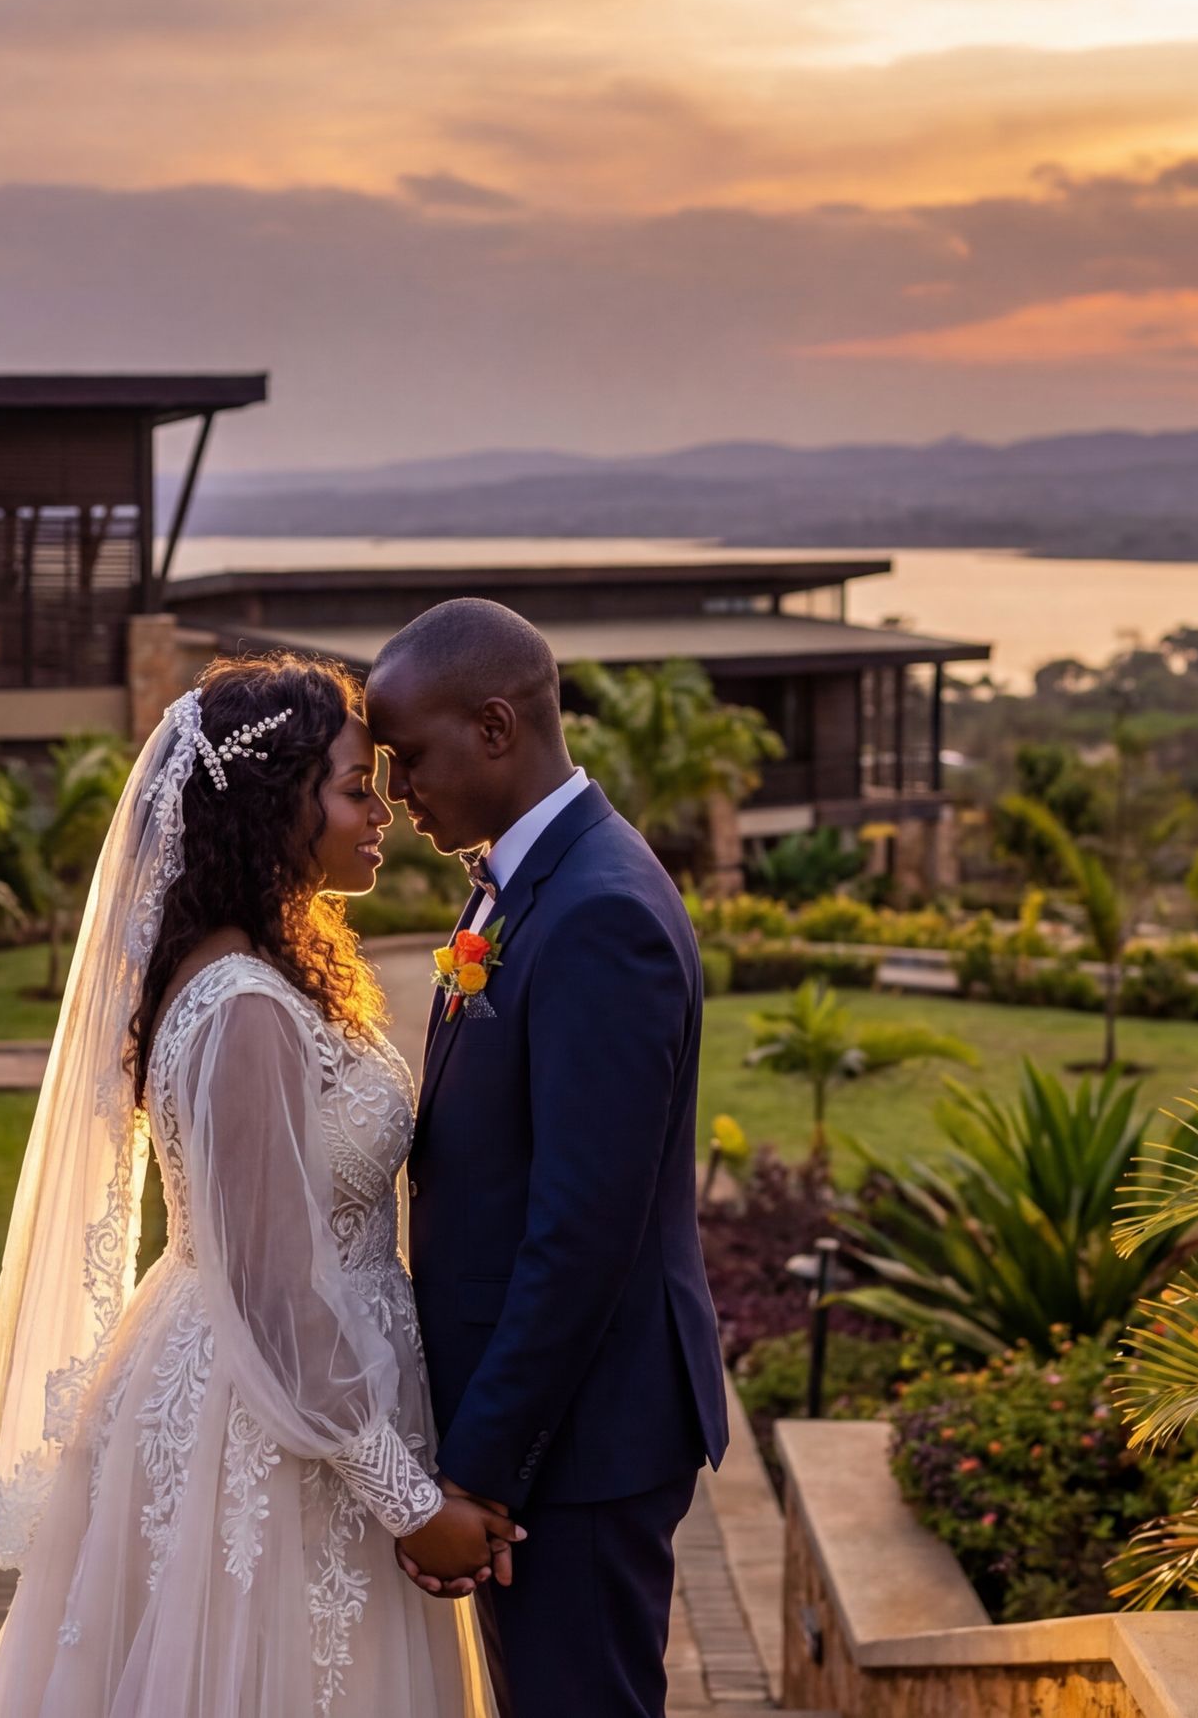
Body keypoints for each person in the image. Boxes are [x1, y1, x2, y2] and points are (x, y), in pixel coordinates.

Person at [0, 653, 506, 1717]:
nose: (381, 811)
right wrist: (410, 1504)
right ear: (272, 806)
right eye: (355, 788)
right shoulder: (243, 1005)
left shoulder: (251, 967)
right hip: (270, 1433)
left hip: (302, 1402)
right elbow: (275, 1294)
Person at [368, 599, 729, 1718]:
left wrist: (479, 1470)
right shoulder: (526, 884)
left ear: (492, 727)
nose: (395, 791)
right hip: (551, 1432)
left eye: (407, 756)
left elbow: (582, 1232)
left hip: (578, 1442)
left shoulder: (597, 914)